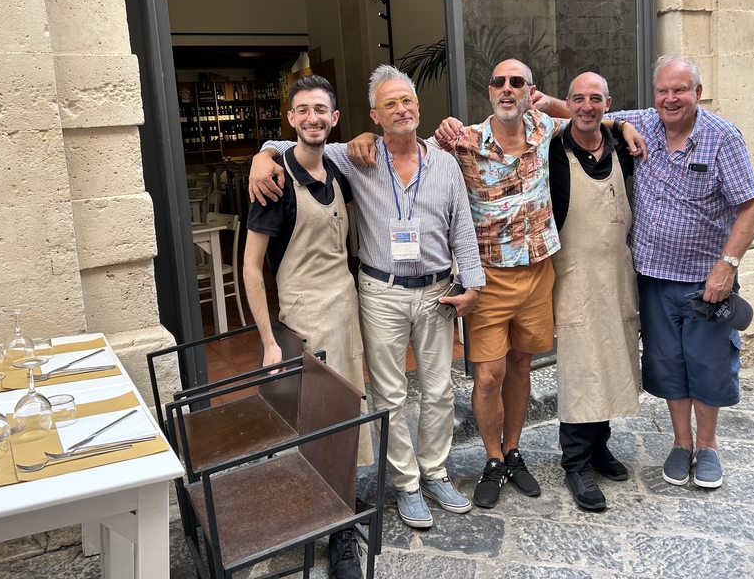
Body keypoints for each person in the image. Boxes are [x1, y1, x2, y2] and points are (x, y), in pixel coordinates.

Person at [351, 59, 643, 510]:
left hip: (539, 271)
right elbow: (402, 137)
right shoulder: (458, 140)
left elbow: (585, 112)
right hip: (487, 278)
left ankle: (512, 451)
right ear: (488, 91)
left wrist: (619, 123)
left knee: (522, 366)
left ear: (531, 91)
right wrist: (368, 136)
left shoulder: (547, 128)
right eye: (498, 82)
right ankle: (491, 458)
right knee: (488, 375)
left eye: (517, 83)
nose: (507, 89)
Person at [247, 65, 485, 531]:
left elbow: (462, 226)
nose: (401, 110)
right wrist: (262, 152)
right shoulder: (357, 156)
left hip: (438, 292)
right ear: (374, 115)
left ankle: (435, 472)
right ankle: (406, 484)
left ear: (418, 108)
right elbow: (301, 142)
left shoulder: (446, 163)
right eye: (389, 104)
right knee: (390, 394)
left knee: (439, 389)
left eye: (407, 101)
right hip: (380, 292)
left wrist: (471, 283)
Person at [606, 55, 754, 489]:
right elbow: (584, 112)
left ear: (697, 92)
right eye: (663, 90)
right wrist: (542, 102)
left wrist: (727, 266)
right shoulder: (644, 122)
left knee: (708, 365)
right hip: (653, 277)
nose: (670, 99)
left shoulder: (721, 137)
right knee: (668, 363)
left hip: (704, 281)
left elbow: (752, 207)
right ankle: (680, 443)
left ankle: (708, 447)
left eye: (680, 90)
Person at [243, 74, 370, 579]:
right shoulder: (272, 183)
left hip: (346, 313)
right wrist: (269, 342)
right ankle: (336, 532)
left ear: (333, 119)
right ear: (291, 119)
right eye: (303, 110)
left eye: (322, 110)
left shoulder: (339, 168)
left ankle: (341, 506)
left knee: (348, 417)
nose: (313, 118)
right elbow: (251, 267)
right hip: (305, 320)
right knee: (318, 424)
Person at [548, 72, 640, 511]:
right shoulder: (552, 149)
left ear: (608, 103)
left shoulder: (623, 144)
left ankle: (600, 445)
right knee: (581, 369)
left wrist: (622, 125)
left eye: (595, 99)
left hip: (617, 273)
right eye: (578, 99)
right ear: (568, 103)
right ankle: (576, 464)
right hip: (576, 274)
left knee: (611, 357)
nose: (586, 106)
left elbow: (638, 119)